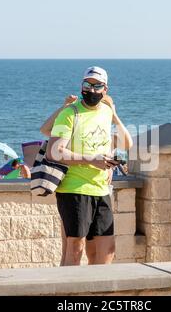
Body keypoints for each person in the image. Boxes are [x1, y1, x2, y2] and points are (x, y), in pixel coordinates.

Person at [45, 66, 133, 266]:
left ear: (105, 89)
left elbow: (127, 144)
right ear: (82, 85)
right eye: (88, 85)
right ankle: (68, 295)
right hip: (74, 189)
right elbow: (55, 151)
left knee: (106, 250)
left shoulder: (106, 112)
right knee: (75, 248)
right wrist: (92, 159)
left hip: (101, 189)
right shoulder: (69, 113)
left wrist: (115, 114)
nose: (92, 90)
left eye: (97, 86)